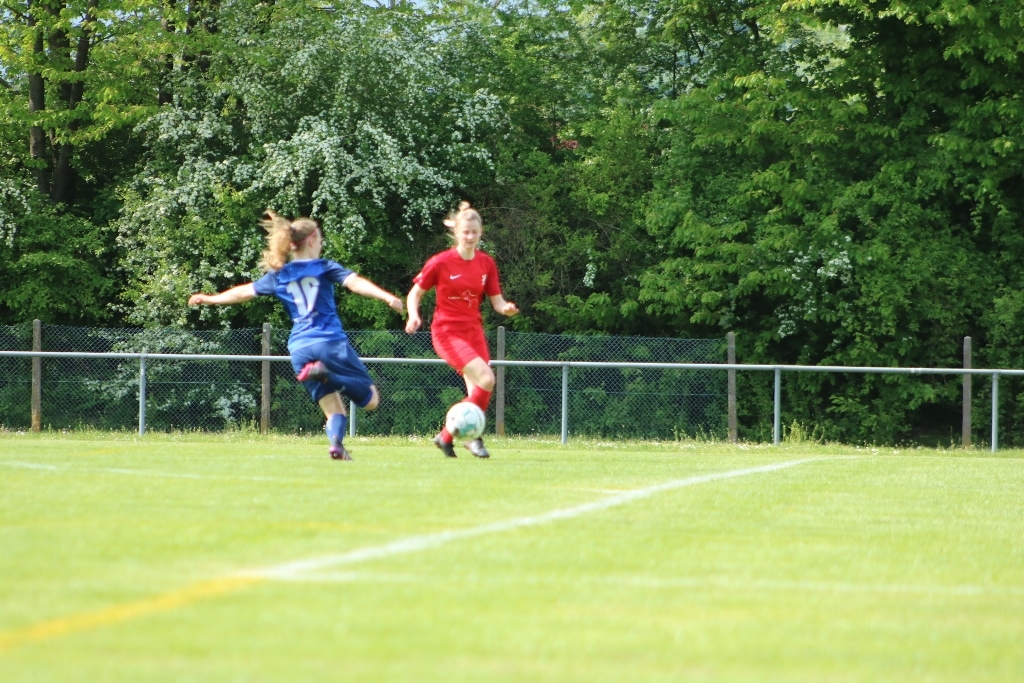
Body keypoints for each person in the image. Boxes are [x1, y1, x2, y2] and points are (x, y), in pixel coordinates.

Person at [188, 211, 404, 461]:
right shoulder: (324, 267)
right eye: (320, 238)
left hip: (300, 349)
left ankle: (337, 446)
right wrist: (386, 296)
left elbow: (243, 293)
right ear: (312, 240)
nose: (321, 243)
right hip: (328, 342)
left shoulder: (280, 274)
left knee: (334, 410)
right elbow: (355, 283)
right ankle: (328, 374)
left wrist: (210, 298)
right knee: (372, 401)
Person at [405, 201, 519, 458]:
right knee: (488, 378)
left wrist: (507, 309)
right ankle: (468, 437)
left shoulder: (486, 264)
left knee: (479, 388)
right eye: (465, 232)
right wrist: (414, 316)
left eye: (474, 233)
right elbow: (415, 294)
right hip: (446, 332)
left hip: (473, 332)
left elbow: (497, 302)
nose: (470, 237)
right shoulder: (441, 262)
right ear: (455, 232)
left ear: (481, 233)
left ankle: (447, 438)